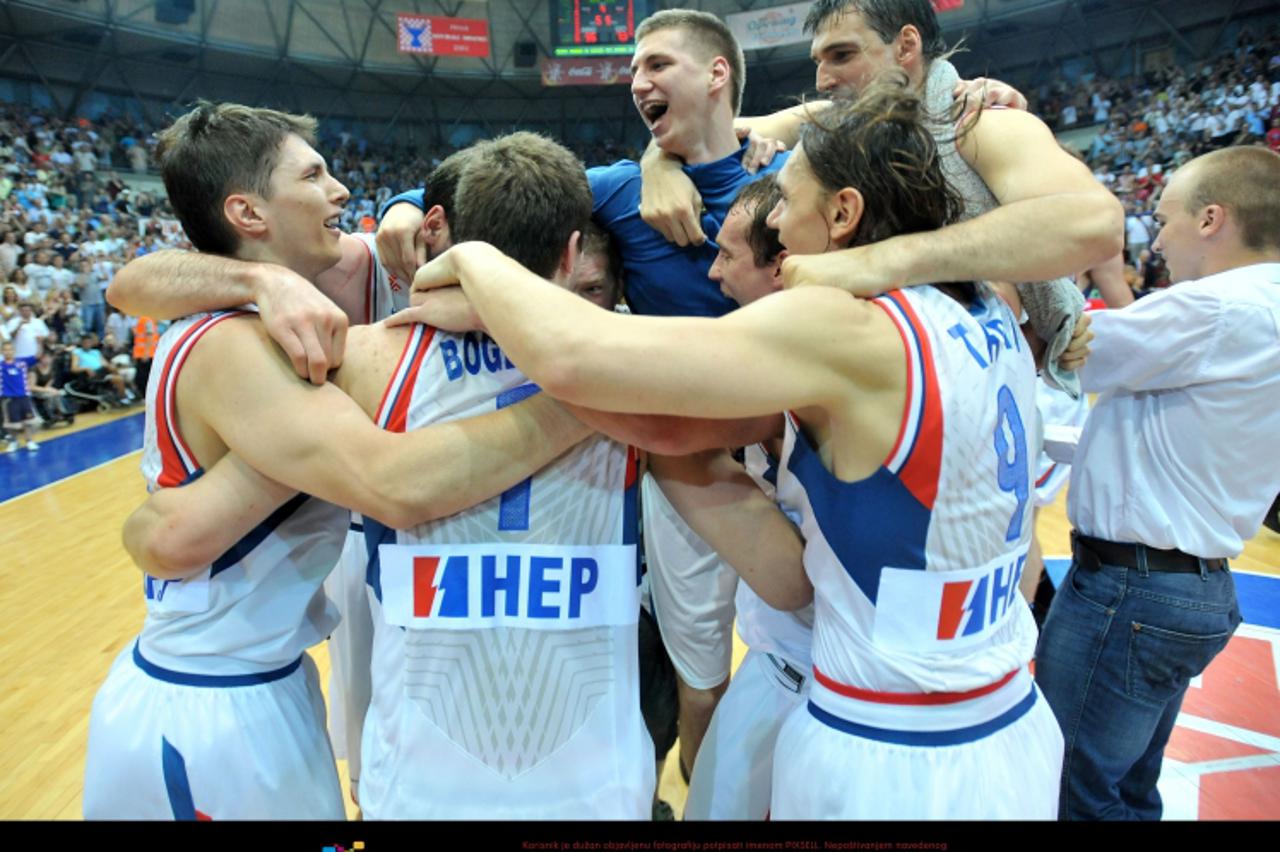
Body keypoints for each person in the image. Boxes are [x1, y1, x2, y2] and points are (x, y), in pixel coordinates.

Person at [413, 80, 1064, 820]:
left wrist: (477, 263)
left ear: (844, 213)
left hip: (893, 746)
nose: (774, 224)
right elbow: (675, 429)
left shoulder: (849, 327)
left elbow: (578, 360)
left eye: (787, 201)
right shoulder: (985, 301)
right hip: (1011, 717)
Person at [84, 102, 599, 821]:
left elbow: (168, 535)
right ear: (249, 212)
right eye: (314, 175)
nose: (341, 192)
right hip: (209, 703)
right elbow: (391, 483)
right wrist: (595, 396)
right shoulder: (235, 342)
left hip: (263, 678)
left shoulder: (321, 284)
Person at [642, 0, 1122, 393]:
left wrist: (879, 261)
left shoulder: (979, 121)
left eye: (842, 55)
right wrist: (657, 166)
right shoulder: (843, 125)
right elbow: (711, 128)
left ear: (907, 46)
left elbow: (1096, 224)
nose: (822, 80)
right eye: (819, 61)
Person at [1035, 146, 1280, 821]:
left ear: (1210, 218)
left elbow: (1066, 353)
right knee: (1126, 789)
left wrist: (1084, 262)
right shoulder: (1253, 308)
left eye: (1164, 218)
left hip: (1132, 590)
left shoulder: (1218, 310)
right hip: (1187, 584)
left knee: (1070, 790)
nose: (1157, 234)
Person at [2, 340, 39, 452]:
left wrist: (40, 343)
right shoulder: (1, 366)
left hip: (23, 396)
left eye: (10, 349)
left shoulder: (22, 362)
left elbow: (37, 356)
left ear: (14, 351)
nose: (8, 352)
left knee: (28, 421)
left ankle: (29, 441)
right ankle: (14, 442)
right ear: (2, 352)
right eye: (5, 350)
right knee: (11, 424)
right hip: (8, 399)